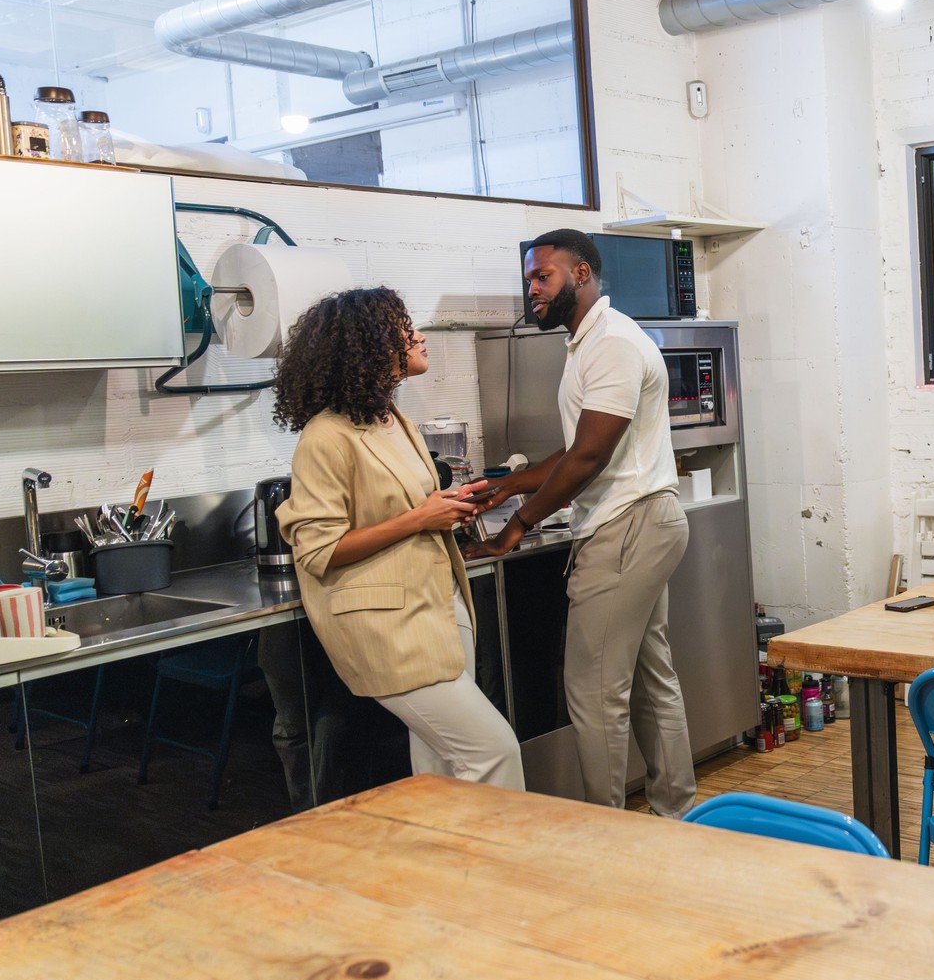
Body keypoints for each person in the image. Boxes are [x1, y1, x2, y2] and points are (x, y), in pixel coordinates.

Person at [467, 229, 697, 819]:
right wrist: (512, 482)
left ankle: (606, 828)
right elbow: (580, 448)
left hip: (627, 525)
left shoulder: (612, 344)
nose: (532, 290)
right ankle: (675, 814)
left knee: (594, 693)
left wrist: (519, 521)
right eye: (528, 280)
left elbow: (590, 458)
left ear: (582, 275)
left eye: (543, 277)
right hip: (643, 519)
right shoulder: (587, 343)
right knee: (650, 679)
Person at [272, 287, 525, 792]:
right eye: (405, 329)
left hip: (438, 605)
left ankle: (448, 868)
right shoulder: (325, 436)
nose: (420, 336)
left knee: (440, 766)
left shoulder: (390, 418)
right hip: (389, 626)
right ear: (369, 344)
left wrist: (451, 506)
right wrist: (420, 518)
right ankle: (505, 868)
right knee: (492, 751)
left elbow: (409, 507)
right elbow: (319, 551)